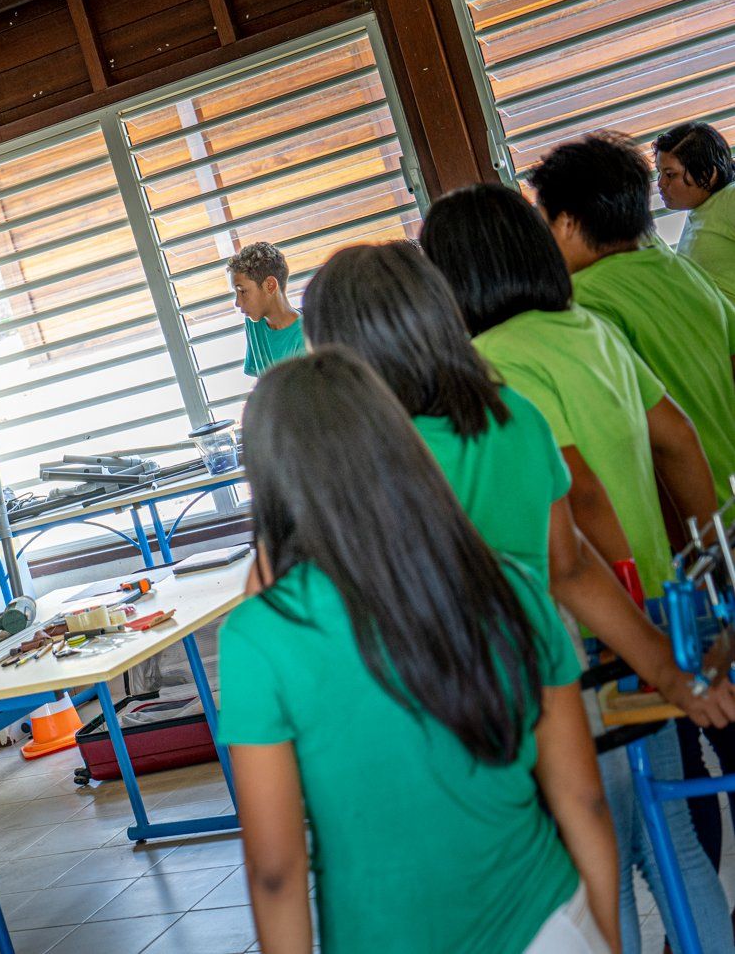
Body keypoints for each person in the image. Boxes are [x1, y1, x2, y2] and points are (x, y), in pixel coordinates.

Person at [221, 347, 616, 954]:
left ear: (271, 481)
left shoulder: (259, 637)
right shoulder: (509, 585)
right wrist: (602, 938)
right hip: (549, 926)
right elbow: (582, 800)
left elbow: (275, 872)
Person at [423, 182, 731, 954]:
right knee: (674, 840)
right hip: (656, 610)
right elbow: (679, 439)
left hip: (590, 633)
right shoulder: (585, 325)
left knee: (605, 856)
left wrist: (612, 608)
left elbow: (578, 497)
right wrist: (700, 566)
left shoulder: (491, 364)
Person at [303, 240, 735, 726]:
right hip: (549, 688)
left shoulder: (359, 462)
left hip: (438, 710)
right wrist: (667, 670)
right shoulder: (514, 417)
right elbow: (568, 567)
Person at [530, 132, 735, 506]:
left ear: (569, 224)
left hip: (696, 522)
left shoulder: (585, 302)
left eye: (545, 221)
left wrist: (706, 541)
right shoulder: (680, 268)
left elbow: (657, 438)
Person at [655, 121, 735, 303]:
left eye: (670, 174)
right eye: (659, 173)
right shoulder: (701, 209)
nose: (660, 183)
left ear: (708, 174)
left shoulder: (730, 198)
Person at [227, 242, 305, 379]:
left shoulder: (304, 340)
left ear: (270, 285)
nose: (237, 303)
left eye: (243, 291)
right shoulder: (253, 323)